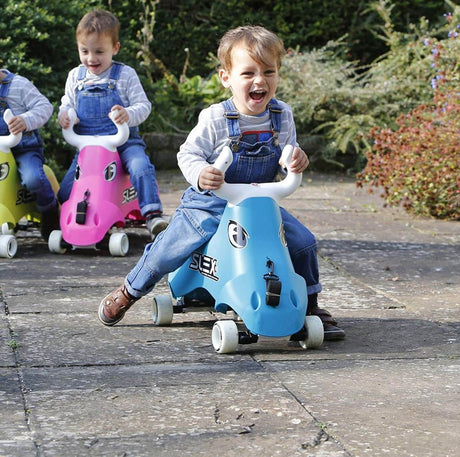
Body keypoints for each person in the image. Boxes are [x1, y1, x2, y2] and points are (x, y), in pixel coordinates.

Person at [98, 25, 345, 341]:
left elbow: (288, 151)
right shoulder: (216, 117)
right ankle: (131, 289)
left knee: (302, 243)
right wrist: (201, 173)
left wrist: (295, 160)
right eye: (248, 73)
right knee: (172, 246)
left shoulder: (282, 115)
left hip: (257, 203)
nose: (260, 81)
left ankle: (309, 305)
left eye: (269, 72)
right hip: (211, 200)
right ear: (226, 78)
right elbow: (188, 153)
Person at [57, 9, 168, 239]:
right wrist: (66, 116)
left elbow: (143, 106)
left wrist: (127, 114)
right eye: (84, 51)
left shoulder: (125, 75)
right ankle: (73, 222)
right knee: (67, 189)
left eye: (99, 51)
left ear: (115, 48)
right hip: (89, 147)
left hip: (123, 142)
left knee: (140, 167)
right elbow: (67, 104)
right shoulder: (75, 77)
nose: (91, 58)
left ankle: (153, 214)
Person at [0, 68, 59, 241]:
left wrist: (25, 120)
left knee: (34, 178)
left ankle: (50, 212)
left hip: (23, 149)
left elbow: (45, 107)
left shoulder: (17, 85)